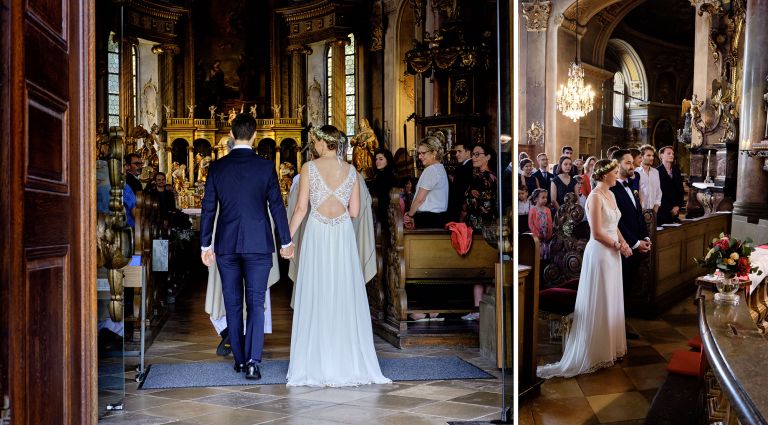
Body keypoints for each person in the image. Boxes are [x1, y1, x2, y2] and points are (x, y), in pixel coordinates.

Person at [285, 125, 391, 386]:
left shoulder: (309, 168)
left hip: (318, 233)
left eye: (316, 142)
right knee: (342, 292)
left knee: (317, 292)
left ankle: (315, 362)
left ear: (324, 142)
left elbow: (300, 208)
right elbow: (355, 211)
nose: (314, 146)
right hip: (342, 234)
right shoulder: (352, 171)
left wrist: (286, 238)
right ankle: (346, 360)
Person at [199, 113, 294, 380]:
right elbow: (277, 206)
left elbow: (208, 209)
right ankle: (253, 361)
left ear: (231, 135)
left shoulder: (217, 168)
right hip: (258, 244)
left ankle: (239, 360)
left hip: (226, 244)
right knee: (255, 302)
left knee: (232, 302)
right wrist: (286, 241)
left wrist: (205, 245)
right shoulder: (265, 168)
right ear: (255, 136)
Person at [537, 159, 632, 379]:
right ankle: (595, 350)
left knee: (612, 299)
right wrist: (618, 246)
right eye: (614, 172)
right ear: (604, 174)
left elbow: (614, 225)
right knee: (601, 299)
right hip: (600, 253)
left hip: (613, 254)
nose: (617, 175)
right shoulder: (595, 197)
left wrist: (624, 243)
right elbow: (598, 233)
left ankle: (610, 347)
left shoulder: (612, 195)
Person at [610, 150, 652, 324]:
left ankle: (623, 326)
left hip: (637, 242)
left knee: (628, 287)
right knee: (619, 288)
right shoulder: (611, 188)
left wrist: (646, 237)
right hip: (623, 246)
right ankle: (617, 327)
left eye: (632, 162)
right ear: (617, 164)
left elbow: (638, 213)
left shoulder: (633, 183)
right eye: (627, 163)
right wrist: (634, 242)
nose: (632, 166)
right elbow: (617, 221)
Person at [460, 143, 498, 321]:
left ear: (488, 157)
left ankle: (480, 309)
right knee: (478, 270)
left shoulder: (487, 177)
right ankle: (479, 308)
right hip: (478, 226)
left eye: (478, 154)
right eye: (473, 154)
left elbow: (486, 205)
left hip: (483, 227)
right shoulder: (478, 176)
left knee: (480, 269)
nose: (474, 157)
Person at [403, 136, 450, 229]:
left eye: (423, 153)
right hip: (438, 218)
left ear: (434, 153)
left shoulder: (431, 170)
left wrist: (410, 215)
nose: (420, 157)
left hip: (427, 219)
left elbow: (420, 199)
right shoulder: (440, 168)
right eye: (419, 154)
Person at [656, 146, 685, 225]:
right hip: (662, 213)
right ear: (661, 156)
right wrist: (669, 209)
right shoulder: (656, 172)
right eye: (668, 153)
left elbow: (680, 191)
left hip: (675, 212)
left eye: (672, 153)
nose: (672, 155)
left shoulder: (676, 171)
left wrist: (678, 206)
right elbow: (658, 194)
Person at [369, 148, 396, 226]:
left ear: (388, 160)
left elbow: (379, 193)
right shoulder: (380, 174)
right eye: (376, 159)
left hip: (385, 211)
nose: (377, 161)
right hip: (381, 208)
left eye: (381, 159)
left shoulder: (387, 175)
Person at [448, 141, 474, 221]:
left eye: (460, 151)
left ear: (468, 152)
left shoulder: (463, 169)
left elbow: (458, 193)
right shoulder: (470, 166)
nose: (456, 154)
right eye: (456, 152)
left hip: (461, 211)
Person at [636, 145, 662, 214]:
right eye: (648, 155)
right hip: (639, 211)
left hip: (653, 211)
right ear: (641, 157)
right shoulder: (636, 172)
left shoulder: (656, 172)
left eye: (653, 155)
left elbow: (658, 191)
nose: (652, 158)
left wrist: (656, 206)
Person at [528, 188, 553, 260]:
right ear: (535, 199)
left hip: (546, 236)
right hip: (537, 237)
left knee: (547, 251)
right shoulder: (532, 210)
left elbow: (550, 222)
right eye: (543, 197)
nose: (545, 199)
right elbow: (531, 224)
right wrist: (537, 234)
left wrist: (549, 234)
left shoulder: (547, 210)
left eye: (546, 197)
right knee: (539, 253)